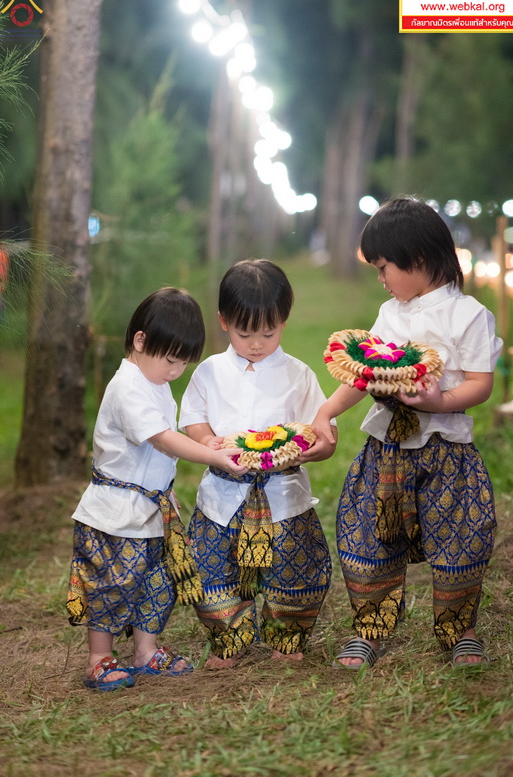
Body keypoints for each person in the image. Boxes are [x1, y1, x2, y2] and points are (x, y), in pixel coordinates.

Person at [308, 197, 502, 669]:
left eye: (384, 267)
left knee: (461, 537)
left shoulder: (469, 315)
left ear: (417, 260)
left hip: (446, 451)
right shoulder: (390, 314)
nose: (382, 279)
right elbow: (363, 374)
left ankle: (461, 632)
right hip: (386, 451)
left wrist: (438, 402)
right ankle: (369, 630)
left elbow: (480, 385)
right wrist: (326, 412)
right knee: (369, 536)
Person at [66, 287, 248, 691]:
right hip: (116, 513)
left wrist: (205, 445)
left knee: (157, 581)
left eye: (183, 362)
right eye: (170, 359)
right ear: (140, 340)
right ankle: (99, 658)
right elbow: (162, 439)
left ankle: (146, 652)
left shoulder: (154, 381)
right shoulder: (127, 386)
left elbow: (169, 440)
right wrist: (213, 457)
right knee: (111, 583)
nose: (175, 371)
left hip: (150, 512)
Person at [179, 259, 336, 668]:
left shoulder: (298, 375)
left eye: (268, 332)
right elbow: (193, 418)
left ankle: (288, 637)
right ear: (224, 322)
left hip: (283, 495)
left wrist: (316, 448)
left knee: (292, 569)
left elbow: (321, 432)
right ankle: (227, 640)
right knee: (215, 569)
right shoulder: (209, 372)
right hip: (223, 494)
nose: (256, 343)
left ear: (284, 320)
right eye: (245, 333)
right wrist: (205, 439)